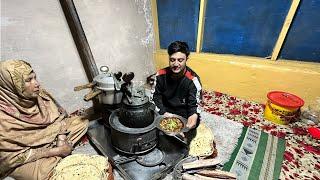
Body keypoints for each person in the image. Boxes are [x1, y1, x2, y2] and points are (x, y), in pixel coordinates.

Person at [0, 60, 89, 180]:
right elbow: (10, 158)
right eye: (28, 80)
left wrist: (61, 137)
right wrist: (58, 151)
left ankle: (59, 154)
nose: (36, 84)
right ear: (11, 86)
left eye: (34, 77)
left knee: (81, 122)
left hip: (50, 136)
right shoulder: (3, 117)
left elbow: (59, 117)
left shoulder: (37, 93)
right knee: (40, 174)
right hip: (24, 154)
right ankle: (59, 155)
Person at [153, 41, 202, 142]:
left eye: (180, 60)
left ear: (186, 59)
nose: (176, 64)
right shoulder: (160, 75)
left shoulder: (193, 80)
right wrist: (163, 113)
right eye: (172, 60)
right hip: (165, 111)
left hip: (183, 114)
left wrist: (193, 115)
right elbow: (155, 97)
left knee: (192, 125)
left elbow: (194, 105)